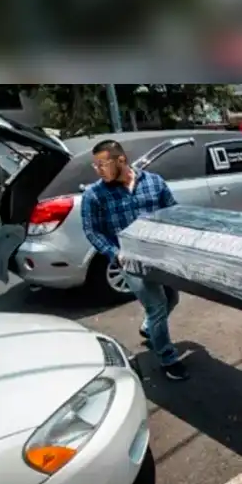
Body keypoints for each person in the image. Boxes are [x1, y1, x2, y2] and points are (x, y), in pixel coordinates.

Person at [81, 139, 189, 381]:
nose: (98, 170)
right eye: (95, 165)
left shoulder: (154, 183)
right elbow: (92, 231)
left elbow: (172, 213)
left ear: (121, 160)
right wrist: (113, 252)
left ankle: (149, 328)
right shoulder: (94, 194)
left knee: (172, 298)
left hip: (159, 256)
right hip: (129, 260)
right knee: (157, 305)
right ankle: (167, 358)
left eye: (102, 164)